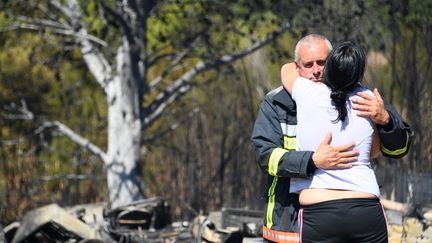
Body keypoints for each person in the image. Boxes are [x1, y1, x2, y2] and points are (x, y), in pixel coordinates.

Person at [251, 34, 412, 243]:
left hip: (321, 219)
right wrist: (311, 161)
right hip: (286, 224)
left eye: (322, 63)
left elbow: (400, 149)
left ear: (334, 63)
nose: (316, 70)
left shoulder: (367, 101)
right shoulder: (276, 104)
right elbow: (266, 156)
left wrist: (386, 120)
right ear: (297, 67)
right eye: (308, 64)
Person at [283, 41, 386, 242]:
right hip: (365, 210)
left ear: (330, 66)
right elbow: (374, 151)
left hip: (319, 213)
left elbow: (286, 68)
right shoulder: (368, 99)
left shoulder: (306, 91)